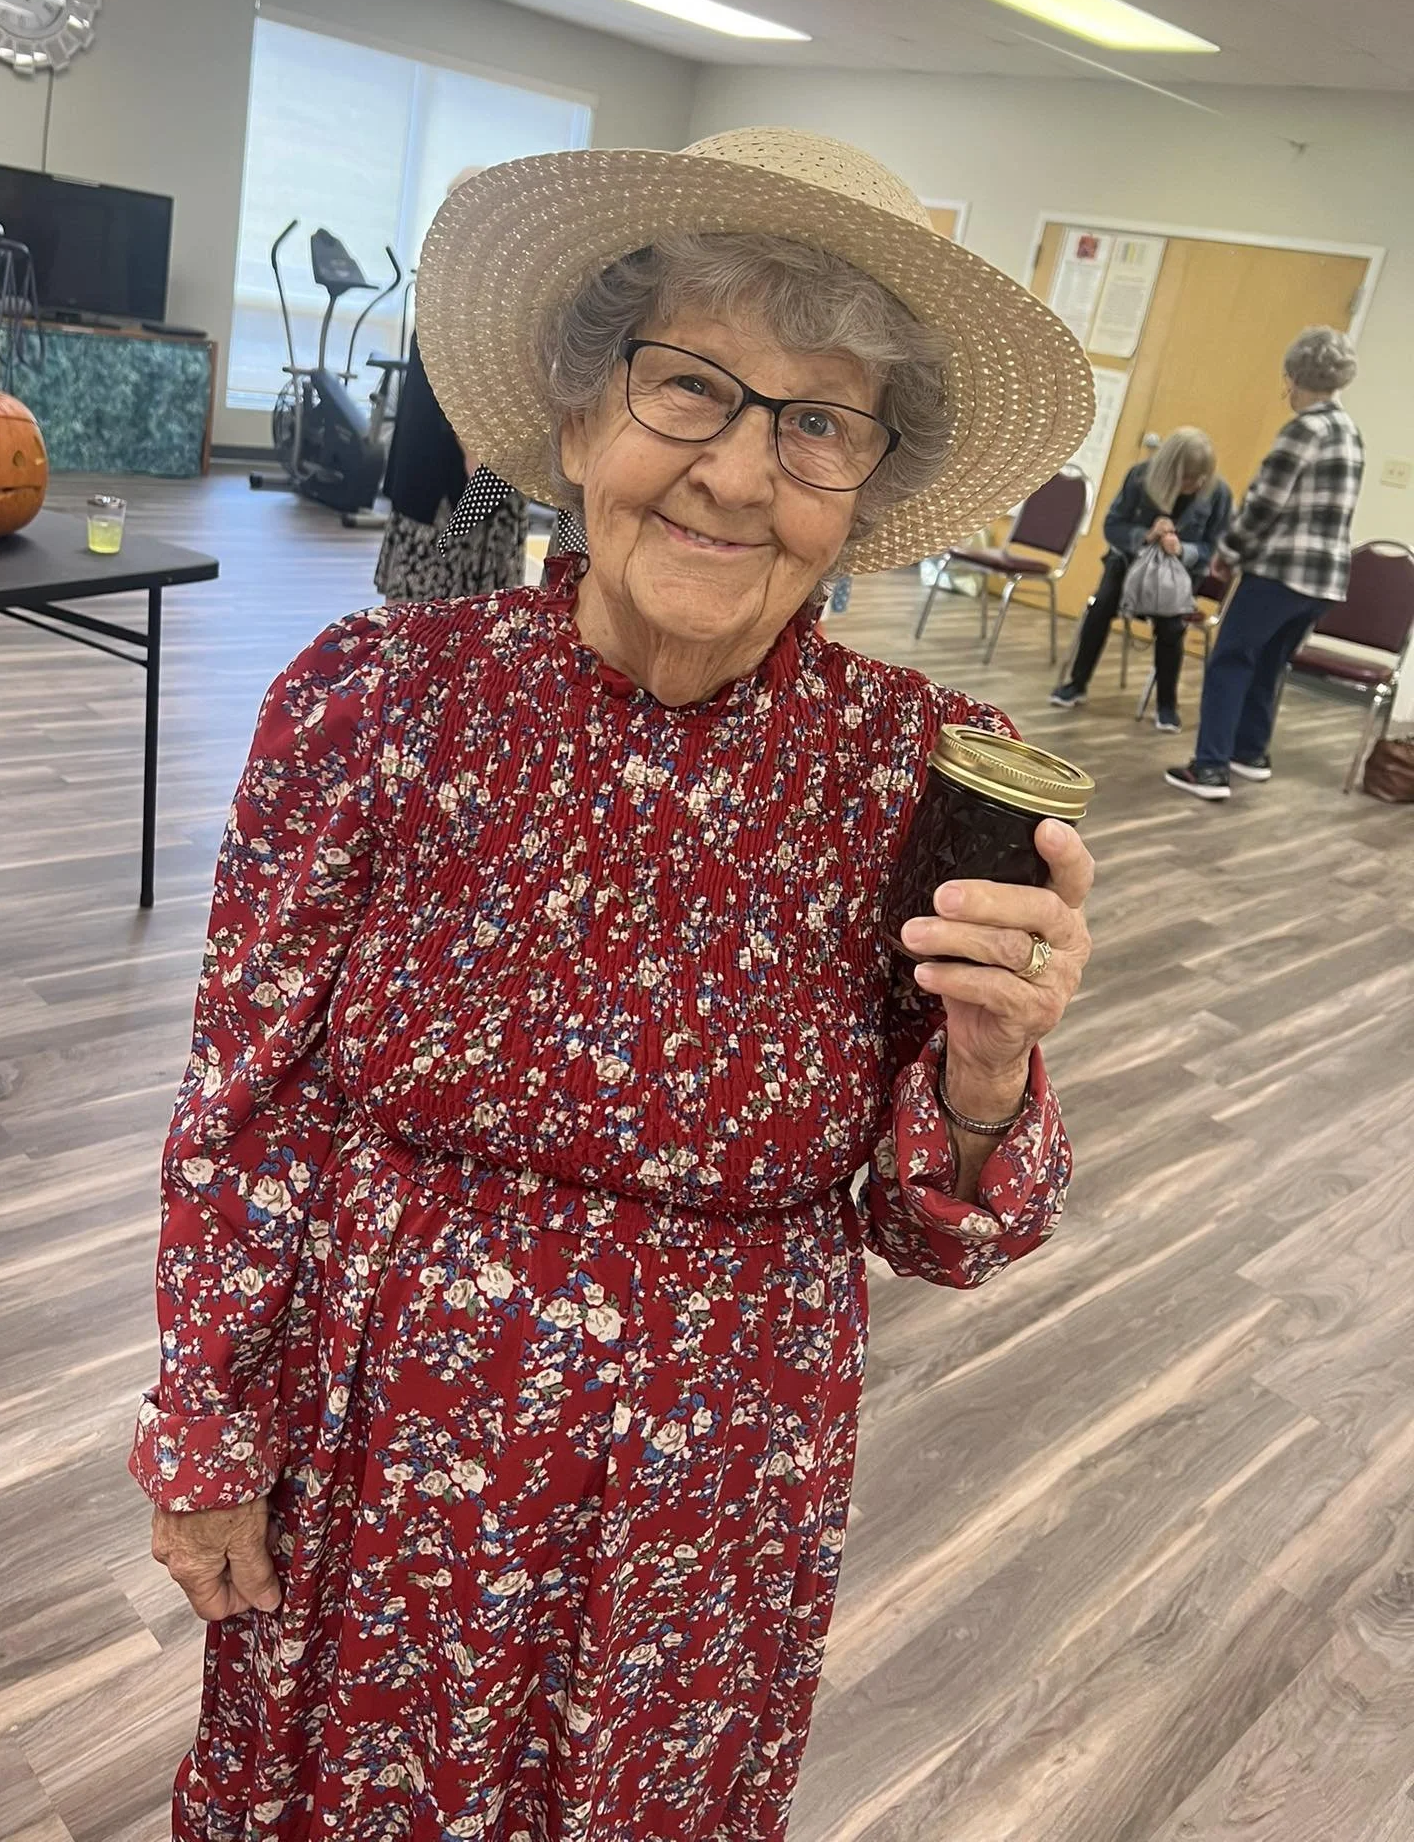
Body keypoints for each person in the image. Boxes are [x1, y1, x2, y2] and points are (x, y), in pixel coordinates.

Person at [132, 127, 1098, 1842]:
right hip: (376, 1462)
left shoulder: (934, 774)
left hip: (713, 1506)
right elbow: (244, 1104)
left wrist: (983, 1074)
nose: (739, 474)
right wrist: (207, 1435)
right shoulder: (372, 702)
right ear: (579, 419)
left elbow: (951, 1230)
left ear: (866, 491)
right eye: (690, 388)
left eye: (817, 423)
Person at [1166, 326, 1364, 800]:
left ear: (1296, 376)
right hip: (1325, 580)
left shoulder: (1302, 429)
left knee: (1230, 659)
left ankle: (1211, 768)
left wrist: (1227, 555)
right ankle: (1250, 753)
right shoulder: (1349, 431)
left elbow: (1263, 505)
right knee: (1270, 661)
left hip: (1280, 573)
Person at [373, 169, 528, 604]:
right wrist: (476, 458)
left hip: (475, 460)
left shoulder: (482, 278)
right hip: (454, 468)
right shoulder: (462, 283)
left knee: (448, 606)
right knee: (445, 605)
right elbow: (457, 383)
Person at [1050, 428, 1231, 731]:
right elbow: (1112, 526)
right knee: (1102, 605)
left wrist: (1183, 549)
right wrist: (1145, 536)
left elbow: (1217, 547)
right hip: (1127, 567)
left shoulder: (1218, 493)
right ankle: (1077, 684)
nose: (1195, 485)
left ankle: (1166, 705)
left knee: (1172, 626)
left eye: (1200, 479)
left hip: (1178, 577)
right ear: (1170, 472)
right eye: (1188, 479)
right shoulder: (1139, 477)